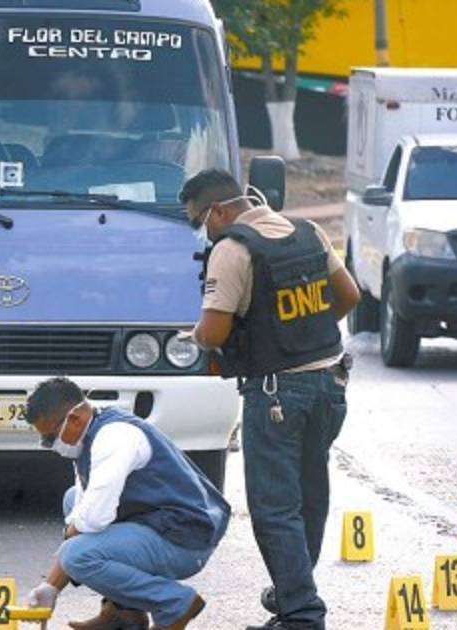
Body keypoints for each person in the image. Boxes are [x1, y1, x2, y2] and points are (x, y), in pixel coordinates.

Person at [180, 170, 359, 630]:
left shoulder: (233, 249)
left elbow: (214, 331)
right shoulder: (308, 231)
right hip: (330, 382)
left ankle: (301, 613)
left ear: (218, 211)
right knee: (310, 496)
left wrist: (194, 336)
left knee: (274, 508)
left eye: (198, 220)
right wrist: (303, 332)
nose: (202, 231)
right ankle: (293, 593)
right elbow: (348, 296)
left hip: (276, 391)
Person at [22, 377, 230, 630]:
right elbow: (82, 508)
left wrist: (69, 535)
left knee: (77, 555)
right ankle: (125, 613)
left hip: (185, 540)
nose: (50, 446)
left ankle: (175, 603)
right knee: (72, 500)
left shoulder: (114, 438)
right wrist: (50, 588)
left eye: (49, 438)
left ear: (74, 419)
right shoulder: (90, 432)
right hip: (162, 524)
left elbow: (92, 520)